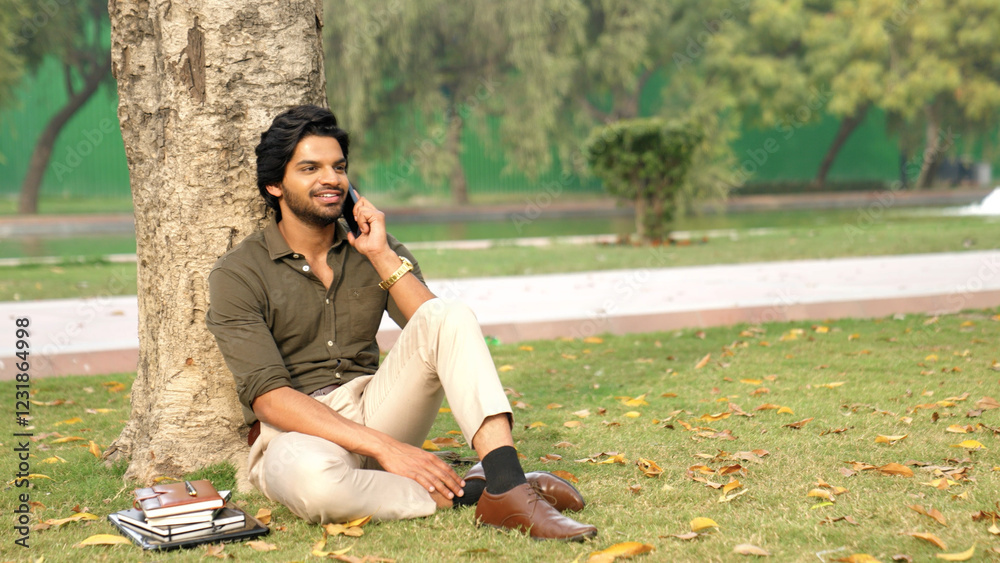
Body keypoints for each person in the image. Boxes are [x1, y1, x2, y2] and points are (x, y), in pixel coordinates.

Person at [205, 105, 597, 541]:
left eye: (339, 167)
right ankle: (474, 492)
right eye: (310, 168)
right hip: (297, 431)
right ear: (275, 185)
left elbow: (436, 326)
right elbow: (268, 399)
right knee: (317, 489)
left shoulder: (376, 247)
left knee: (449, 313)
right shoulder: (238, 273)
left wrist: (380, 255)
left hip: (376, 405)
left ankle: (508, 486)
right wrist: (386, 449)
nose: (331, 179)